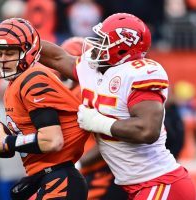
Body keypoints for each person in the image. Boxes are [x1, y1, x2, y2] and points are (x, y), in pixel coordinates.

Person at [0, 13, 196, 199]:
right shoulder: (94, 72)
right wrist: (5, 37)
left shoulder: (139, 73)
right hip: (133, 184)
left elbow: (148, 130)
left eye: (104, 40)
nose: (97, 45)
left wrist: (100, 122)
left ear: (124, 47)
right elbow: (57, 57)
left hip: (160, 182)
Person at [0, 18, 88, 200]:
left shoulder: (33, 79)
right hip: (48, 176)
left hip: (61, 179)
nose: (3, 60)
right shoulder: (15, 83)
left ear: (28, 52)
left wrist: (7, 142)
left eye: (10, 53)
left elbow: (52, 140)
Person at [61, 36, 127, 200]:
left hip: (101, 169)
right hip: (84, 170)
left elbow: (110, 136)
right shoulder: (72, 92)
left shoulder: (89, 92)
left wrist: (79, 164)